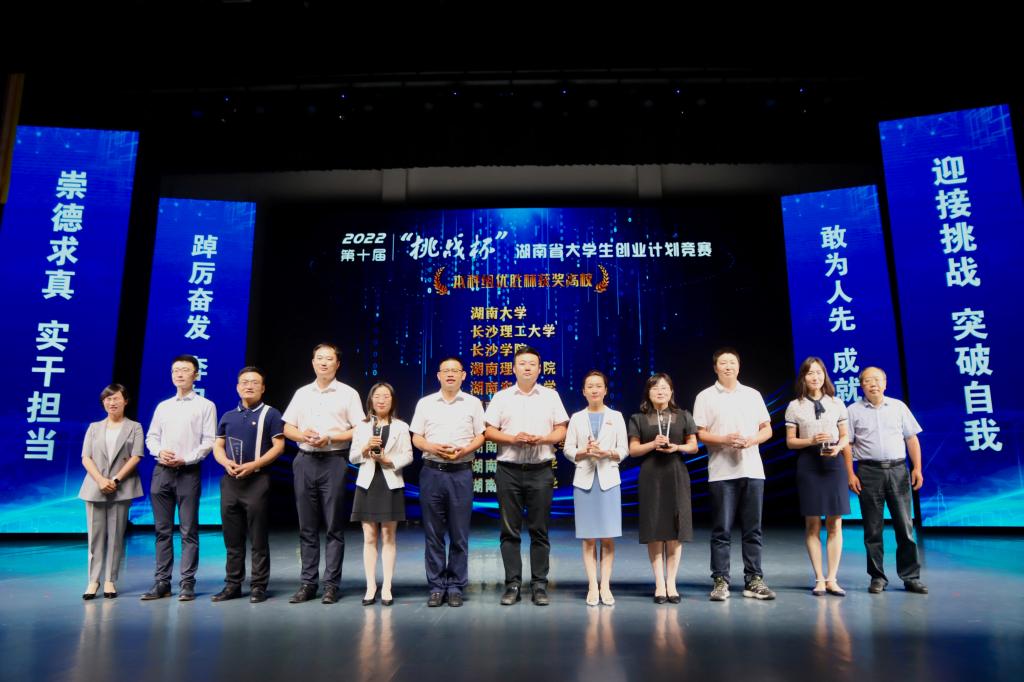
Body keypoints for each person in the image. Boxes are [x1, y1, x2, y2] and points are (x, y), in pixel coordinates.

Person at [484, 345, 569, 606]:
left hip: (541, 471)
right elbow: (489, 431)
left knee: (539, 530)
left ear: (540, 369)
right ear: (513, 368)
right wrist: (513, 439)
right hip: (508, 471)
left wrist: (543, 439)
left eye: (532, 364)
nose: (527, 368)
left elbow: (561, 429)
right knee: (509, 531)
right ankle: (512, 585)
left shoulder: (551, 396)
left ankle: (539, 585)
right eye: (522, 364)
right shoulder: (501, 397)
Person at [282, 343, 365, 604]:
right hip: (304, 460)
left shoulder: (348, 394)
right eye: (319, 358)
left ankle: (331, 585)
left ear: (337, 364)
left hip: (334, 461)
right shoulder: (302, 393)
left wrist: (330, 437)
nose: (324, 363)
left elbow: (359, 429)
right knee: (306, 526)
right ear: (313, 362)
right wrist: (302, 435)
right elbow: (287, 428)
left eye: (329, 359)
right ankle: (308, 583)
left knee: (333, 526)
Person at [693, 347, 775, 602]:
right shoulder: (705, 396)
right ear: (715, 368)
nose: (728, 366)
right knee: (722, 530)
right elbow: (700, 433)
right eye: (723, 363)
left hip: (752, 469)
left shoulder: (752, 394)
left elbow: (767, 429)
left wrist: (751, 440)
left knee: (753, 529)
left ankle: (754, 579)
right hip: (721, 472)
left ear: (739, 367)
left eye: (732, 362)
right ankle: (720, 580)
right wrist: (725, 439)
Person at [844, 366, 928, 595]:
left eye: (877, 379)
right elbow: (847, 445)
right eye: (868, 380)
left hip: (898, 470)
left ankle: (911, 577)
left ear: (885, 383)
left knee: (905, 527)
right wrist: (850, 474)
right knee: (873, 529)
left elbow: (911, 439)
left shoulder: (898, 407)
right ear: (861, 385)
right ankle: (877, 577)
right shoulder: (852, 411)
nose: (873, 384)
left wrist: (917, 468)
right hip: (868, 472)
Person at [409, 357, 485, 608]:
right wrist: (431, 447)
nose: (450, 374)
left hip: (461, 473)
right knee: (433, 534)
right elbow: (416, 437)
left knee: (459, 534)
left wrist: (465, 450)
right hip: (432, 472)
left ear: (463, 375)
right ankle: (436, 585)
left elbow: (481, 436)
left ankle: (455, 586)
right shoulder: (425, 403)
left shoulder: (473, 403)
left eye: (455, 371)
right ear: (438, 376)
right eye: (446, 371)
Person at [141, 355, 217, 602]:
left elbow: (209, 441)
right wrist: (159, 451)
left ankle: (187, 583)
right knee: (162, 530)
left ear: (196, 375)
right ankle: (162, 582)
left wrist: (186, 459)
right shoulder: (163, 406)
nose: (179, 374)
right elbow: (151, 437)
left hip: (187, 472)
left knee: (188, 530)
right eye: (175, 370)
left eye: (185, 370)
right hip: (162, 471)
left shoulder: (205, 405)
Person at [209, 367, 286, 603]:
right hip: (231, 482)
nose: (249, 386)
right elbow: (218, 445)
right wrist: (225, 462)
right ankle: (232, 584)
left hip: (258, 481)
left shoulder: (271, 414)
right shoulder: (228, 416)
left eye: (254, 382)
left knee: (258, 538)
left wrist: (254, 465)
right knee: (232, 538)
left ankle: (258, 586)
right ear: (237, 387)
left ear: (263, 388)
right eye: (244, 382)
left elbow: (278, 446)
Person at [627, 373, 698, 604]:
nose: (660, 391)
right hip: (651, 475)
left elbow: (694, 446)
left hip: (676, 473)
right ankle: (659, 583)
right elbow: (633, 450)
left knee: (676, 529)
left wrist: (677, 447)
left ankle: (672, 583)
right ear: (648, 393)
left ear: (671, 391)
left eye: (665, 387)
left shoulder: (683, 415)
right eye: (655, 388)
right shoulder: (638, 418)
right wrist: (652, 444)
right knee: (654, 528)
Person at [784, 357, 850, 596]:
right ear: (803, 377)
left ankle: (832, 578)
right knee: (812, 524)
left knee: (835, 523)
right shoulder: (795, 406)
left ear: (825, 375)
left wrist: (838, 447)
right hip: (809, 463)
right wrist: (810, 440)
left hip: (834, 463)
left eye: (819, 373)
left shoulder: (836, 402)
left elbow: (845, 436)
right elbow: (790, 442)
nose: (815, 377)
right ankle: (819, 578)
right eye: (810, 373)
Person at [563, 370, 628, 606]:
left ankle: (605, 585)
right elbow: (568, 449)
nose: (594, 390)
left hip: (609, 480)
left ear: (605, 390)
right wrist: (582, 452)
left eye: (598, 386)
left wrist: (607, 453)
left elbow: (624, 449)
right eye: (589, 386)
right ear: (583, 391)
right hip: (584, 481)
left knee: (608, 536)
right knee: (588, 537)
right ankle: (592, 585)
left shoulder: (616, 416)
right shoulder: (576, 417)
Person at [78, 384, 144, 600]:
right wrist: (100, 480)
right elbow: (86, 457)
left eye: (116, 398)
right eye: (107, 399)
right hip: (95, 486)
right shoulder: (94, 427)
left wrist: (115, 479)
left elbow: (136, 456)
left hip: (121, 487)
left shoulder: (134, 427)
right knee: (95, 537)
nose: (112, 402)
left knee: (116, 537)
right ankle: (93, 580)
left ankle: (109, 580)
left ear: (126, 401)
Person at [350, 382, 414, 607]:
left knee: (388, 536)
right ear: (371, 400)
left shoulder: (401, 426)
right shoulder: (361, 427)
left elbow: (408, 455)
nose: (381, 400)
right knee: (369, 537)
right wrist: (365, 448)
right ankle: (371, 586)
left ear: (392, 400)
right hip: (367, 484)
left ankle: (387, 586)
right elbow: (353, 457)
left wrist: (388, 460)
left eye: (386, 396)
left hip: (390, 483)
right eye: (377, 396)